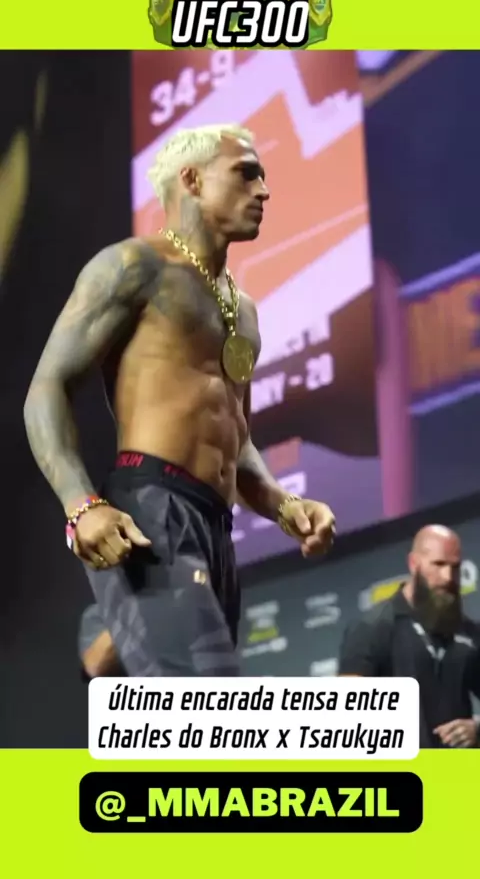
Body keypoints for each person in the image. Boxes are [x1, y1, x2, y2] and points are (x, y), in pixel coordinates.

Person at [24, 123, 335, 678]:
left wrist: (284, 504)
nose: (264, 191)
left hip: (215, 527)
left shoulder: (243, 308)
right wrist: (81, 506)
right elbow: (46, 389)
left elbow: (236, 437)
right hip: (151, 511)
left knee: (205, 712)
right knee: (207, 707)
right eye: (246, 174)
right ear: (191, 180)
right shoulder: (133, 267)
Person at [338, 524, 480, 748]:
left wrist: (477, 728)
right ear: (414, 564)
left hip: (462, 769)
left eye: (455, 567)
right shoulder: (372, 628)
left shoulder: (468, 633)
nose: (448, 577)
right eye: (438, 564)